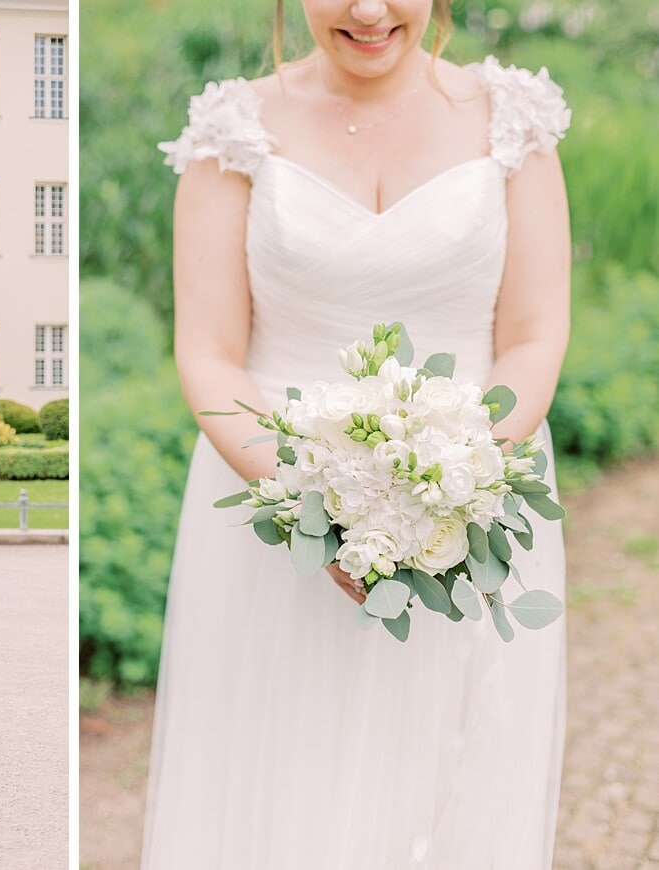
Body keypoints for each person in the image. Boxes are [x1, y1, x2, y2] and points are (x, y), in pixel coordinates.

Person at [144, 0, 570, 866]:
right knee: (277, 773)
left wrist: (456, 485)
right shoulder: (233, 130)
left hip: (468, 498)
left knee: (450, 770)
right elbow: (212, 356)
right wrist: (323, 508)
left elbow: (531, 337)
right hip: (270, 505)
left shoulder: (511, 121)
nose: (370, 11)